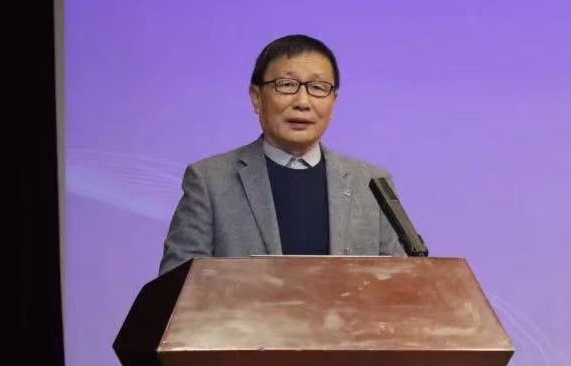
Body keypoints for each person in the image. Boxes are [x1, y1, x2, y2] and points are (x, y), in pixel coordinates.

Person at [159, 34, 406, 275]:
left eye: (317, 88)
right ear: (256, 98)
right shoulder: (209, 181)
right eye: (287, 85)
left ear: (333, 101)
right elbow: (177, 285)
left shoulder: (371, 182)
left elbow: (403, 280)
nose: (302, 102)